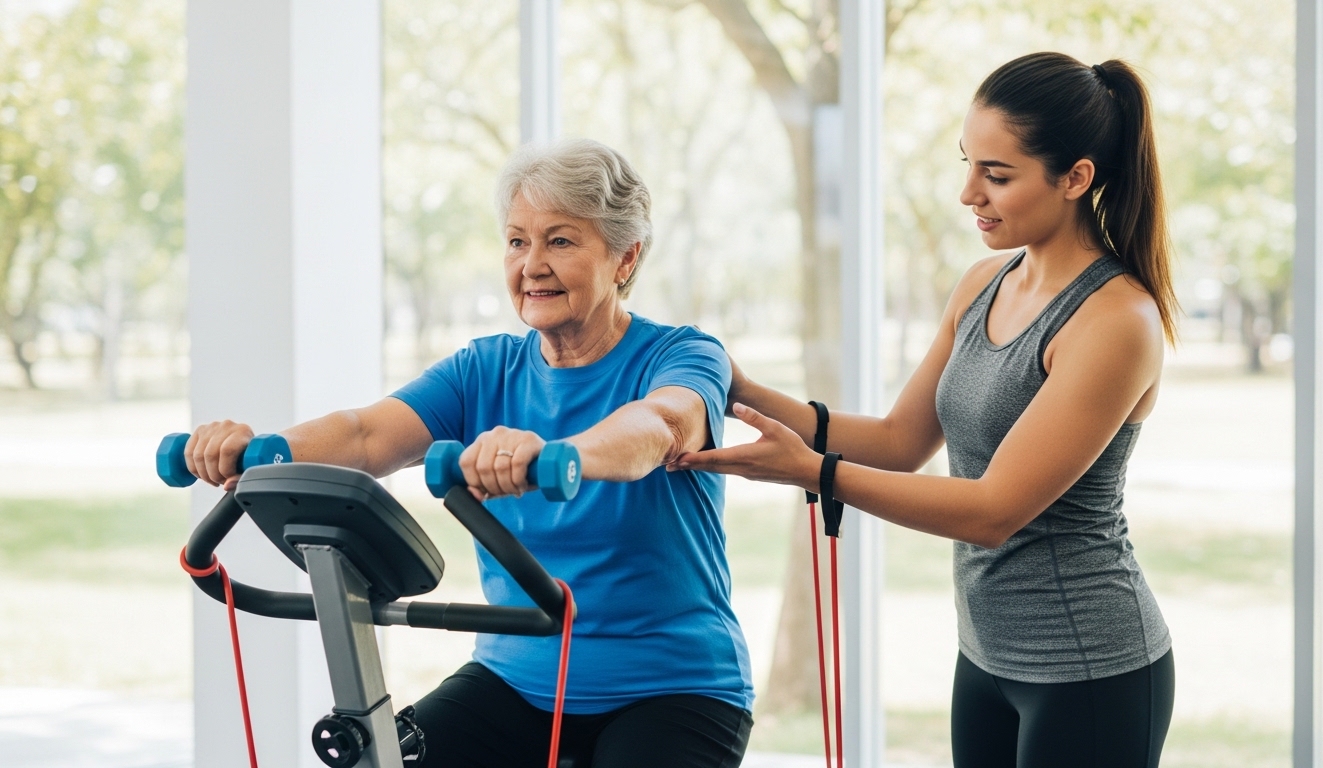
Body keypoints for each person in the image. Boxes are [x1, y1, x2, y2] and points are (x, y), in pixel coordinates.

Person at [673, 52, 1177, 768]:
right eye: (968, 164)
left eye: (997, 175)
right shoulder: (983, 283)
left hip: (1089, 670)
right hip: (985, 657)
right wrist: (742, 391)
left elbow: (993, 512)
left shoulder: (1115, 321)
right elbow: (898, 439)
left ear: (1075, 178)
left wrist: (813, 472)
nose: (969, 193)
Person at [183, 139, 753, 768]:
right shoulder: (483, 370)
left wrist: (554, 455)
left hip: (674, 689)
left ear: (626, 257)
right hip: (516, 680)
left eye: (560, 241)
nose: (532, 265)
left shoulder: (682, 354)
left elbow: (660, 424)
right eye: (517, 241)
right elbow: (365, 434)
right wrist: (258, 451)